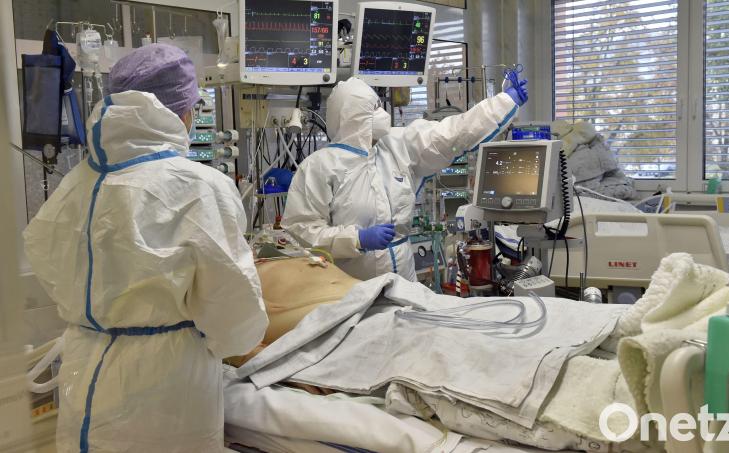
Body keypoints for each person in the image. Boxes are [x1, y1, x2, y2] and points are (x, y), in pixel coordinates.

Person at [23, 44, 267, 452]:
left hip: (85, 378)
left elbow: (46, 257)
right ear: (183, 112)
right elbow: (235, 315)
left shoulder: (74, 184)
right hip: (165, 394)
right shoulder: (198, 187)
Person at [282, 76, 528, 281]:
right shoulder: (319, 167)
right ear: (353, 116)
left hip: (404, 281)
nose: (382, 114)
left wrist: (503, 103)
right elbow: (302, 232)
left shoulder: (396, 147)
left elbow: (451, 134)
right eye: (374, 108)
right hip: (351, 287)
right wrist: (356, 239)